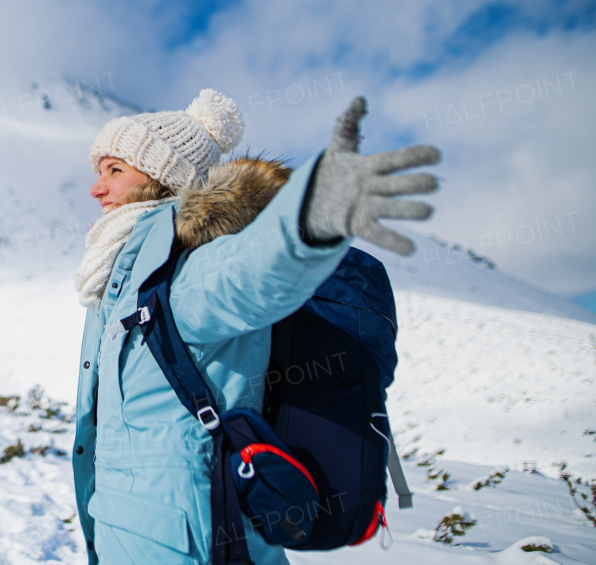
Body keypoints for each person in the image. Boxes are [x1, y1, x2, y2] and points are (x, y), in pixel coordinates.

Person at [72, 89, 439, 564]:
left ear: (164, 178)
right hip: (137, 532)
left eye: (115, 170)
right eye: (99, 171)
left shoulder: (184, 271)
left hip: (193, 541)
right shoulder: (121, 279)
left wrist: (311, 217)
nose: (96, 188)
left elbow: (259, 267)